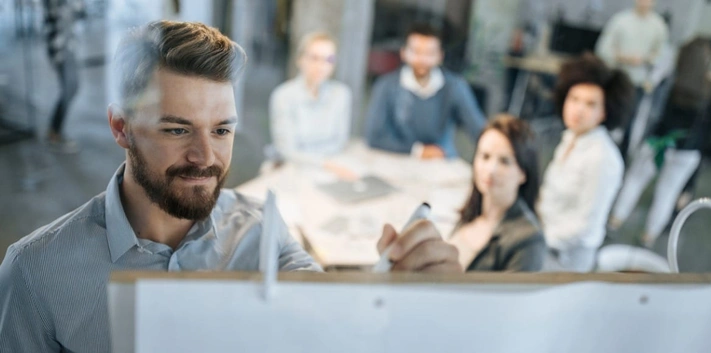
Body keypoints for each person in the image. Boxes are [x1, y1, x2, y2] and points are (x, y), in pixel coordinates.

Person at [0, 21, 461, 352]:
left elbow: (335, 324)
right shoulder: (34, 274)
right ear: (121, 128)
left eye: (221, 130)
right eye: (178, 130)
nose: (206, 158)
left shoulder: (263, 229)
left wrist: (408, 304)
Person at [610, 18, 711, 247]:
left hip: (683, 139)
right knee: (649, 182)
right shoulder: (696, 51)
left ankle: (640, 231)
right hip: (669, 135)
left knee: (659, 186)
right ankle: (629, 227)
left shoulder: (704, 57)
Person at [537, 54, 634, 272]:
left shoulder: (603, 158)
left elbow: (585, 227)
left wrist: (539, 239)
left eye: (590, 104)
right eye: (574, 99)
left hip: (565, 259)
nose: (578, 109)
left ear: (604, 112)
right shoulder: (570, 137)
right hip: (544, 239)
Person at [365, 23, 486, 159]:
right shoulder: (386, 86)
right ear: (403, 53)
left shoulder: (454, 86)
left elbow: (478, 129)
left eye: (429, 53)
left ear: (440, 56)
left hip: (442, 161)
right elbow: (374, 137)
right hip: (398, 160)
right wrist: (419, 151)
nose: (422, 59)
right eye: (416, 51)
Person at [449, 115, 545, 272]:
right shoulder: (472, 212)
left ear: (523, 173)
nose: (490, 170)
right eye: (485, 156)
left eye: (504, 161)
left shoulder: (528, 240)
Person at [595, 0, 668, 159]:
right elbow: (603, 49)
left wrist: (645, 60)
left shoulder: (658, 26)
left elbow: (661, 56)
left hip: (638, 83)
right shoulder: (620, 20)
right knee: (606, 115)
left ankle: (621, 157)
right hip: (616, 79)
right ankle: (598, 152)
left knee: (629, 121)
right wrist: (622, 57)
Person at [269, 32, 352, 164]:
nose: (321, 66)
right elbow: (287, 151)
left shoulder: (341, 94)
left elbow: (340, 142)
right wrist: (323, 163)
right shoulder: (283, 96)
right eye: (314, 58)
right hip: (291, 168)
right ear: (300, 60)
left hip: (331, 166)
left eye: (329, 60)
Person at [42, 0, 86, 153]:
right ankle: (55, 131)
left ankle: (54, 130)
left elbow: (80, 12)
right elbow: (69, 11)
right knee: (70, 88)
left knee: (72, 87)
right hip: (61, 48)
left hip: (68, 45)